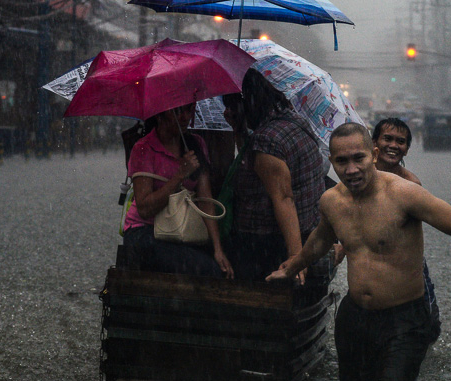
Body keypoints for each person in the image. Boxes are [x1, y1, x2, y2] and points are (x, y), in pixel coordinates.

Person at [267, 123, 451, 381]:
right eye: (341, 161)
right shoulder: (331, 201)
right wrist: (292, 267)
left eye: (358, 158)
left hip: (405, 317)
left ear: (373, 155)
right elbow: (320, 240)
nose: (351, 169)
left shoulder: (404, 193)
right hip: (355, 317)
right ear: (332, 162)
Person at [229, 70, 325, 281]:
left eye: (230, 105)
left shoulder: (267, 141)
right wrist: (238, 129)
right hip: (306, 227)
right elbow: (251, 165)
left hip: (265, 243)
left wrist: (295, 260)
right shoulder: (294, 120)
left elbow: (284, 198)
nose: (226, 111)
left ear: (246, 105)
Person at [122, 102, 232, 278]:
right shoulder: (144, 149)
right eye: (178, 111)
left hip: (181, 228)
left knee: (224, 263)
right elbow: (144, 208)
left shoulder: (196, 144)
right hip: (145, 232)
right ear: (159, 114)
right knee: (206, 270)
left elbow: (205, 200)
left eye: (189, 110)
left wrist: (218, 249)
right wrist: (180, 176)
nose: (185, 117)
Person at [369, 117, 441, 340]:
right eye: (387, 139)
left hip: (407, 259)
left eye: (400, 142)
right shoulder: (361, 177)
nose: (393, 146)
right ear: (375, 144)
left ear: (407, 150)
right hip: (370, 256)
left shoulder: (412, 185)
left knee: (428, 324)